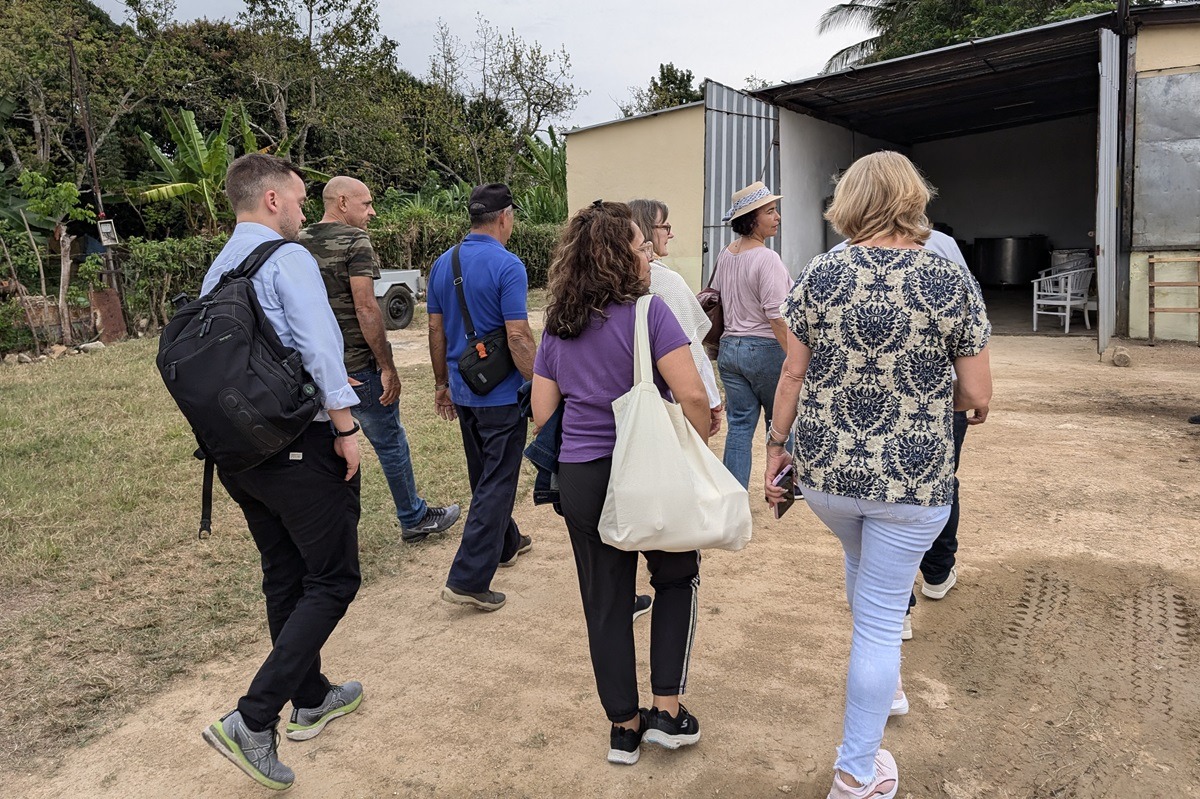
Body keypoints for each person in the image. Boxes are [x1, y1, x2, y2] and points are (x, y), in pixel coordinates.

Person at [764, 151, 991, 799]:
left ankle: (887, 686)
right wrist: (922, 402)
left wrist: (776, 445)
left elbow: (792, 374)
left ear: (852, 202)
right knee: (879, 614)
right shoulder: (948, 277)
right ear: (913, 198)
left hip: (829, 476)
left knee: (863, 567)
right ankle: (856, 773)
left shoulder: (819, 273)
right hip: (912, 479)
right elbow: (976, 393)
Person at [199, 154, 365, 791]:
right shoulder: (286, 258)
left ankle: (313, 693)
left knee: (285, 573)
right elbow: (321, 344)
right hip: (302, 444)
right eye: (297, 201)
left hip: (242, 452)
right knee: (333, 578)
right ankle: (254, 717)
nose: (303, 212)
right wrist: (345, 427)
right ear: (271, 201)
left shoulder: (222, 266)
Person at [531, 201, 710, 766]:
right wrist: (696, 449)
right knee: (675, 577)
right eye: (640, 247)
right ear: (617, 256)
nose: (649, 254)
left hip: (583, 476)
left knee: (604, 600)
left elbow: (542, 413)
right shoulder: (651, 314)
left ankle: (623, 729)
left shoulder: (558, 323)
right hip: (648, 469)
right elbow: (694, 396)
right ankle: (667, 711)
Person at [830, 228, 976, 640]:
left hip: (860, 405)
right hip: (933, 402)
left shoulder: (836, 257)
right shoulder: (943, 246)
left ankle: (898, 608)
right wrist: (969, 394)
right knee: (934, 488)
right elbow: (969, 327)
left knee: (872, 502)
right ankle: (937, 571)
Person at [300, 176, 462, 543]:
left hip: (314, 368)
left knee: (326, 448)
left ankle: (328, 531)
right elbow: (366, 306)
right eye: (366, 204)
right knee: (390, 441)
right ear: (342, 202)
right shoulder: (356, 241)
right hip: (357, 364)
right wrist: (386, 366)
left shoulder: (298, 241)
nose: (372, 212)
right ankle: (413, 517)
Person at [427, 183, 537, 612]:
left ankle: (506, 544)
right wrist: (543, 382)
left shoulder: (442, 263)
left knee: (484, 475)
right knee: (498, 481)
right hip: (501, 393)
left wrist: (441, 384)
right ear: (505, 216)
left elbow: (435, 330)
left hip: (463, 387)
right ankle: (468, 578)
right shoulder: (508, 266)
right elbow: (518, 336)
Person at [711, 181, 792, 488]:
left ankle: (733, 497)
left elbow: (716, 298)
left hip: (730, 349)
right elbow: (777, 316)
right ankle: (783, 490)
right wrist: (794, 357)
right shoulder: (766, 258)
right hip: (766, 349)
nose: (777, 217)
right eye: (770, 211)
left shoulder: (726, 254)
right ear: (751, 218)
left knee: (740, 426)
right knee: (781, 422)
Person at [628, 198, 724, 436]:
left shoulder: (614, 283)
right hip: (670, 399)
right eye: (665, 227)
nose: (670, 234)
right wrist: (711, 399)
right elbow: (692, 350)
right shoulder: (667, 283)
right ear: (647, 229)